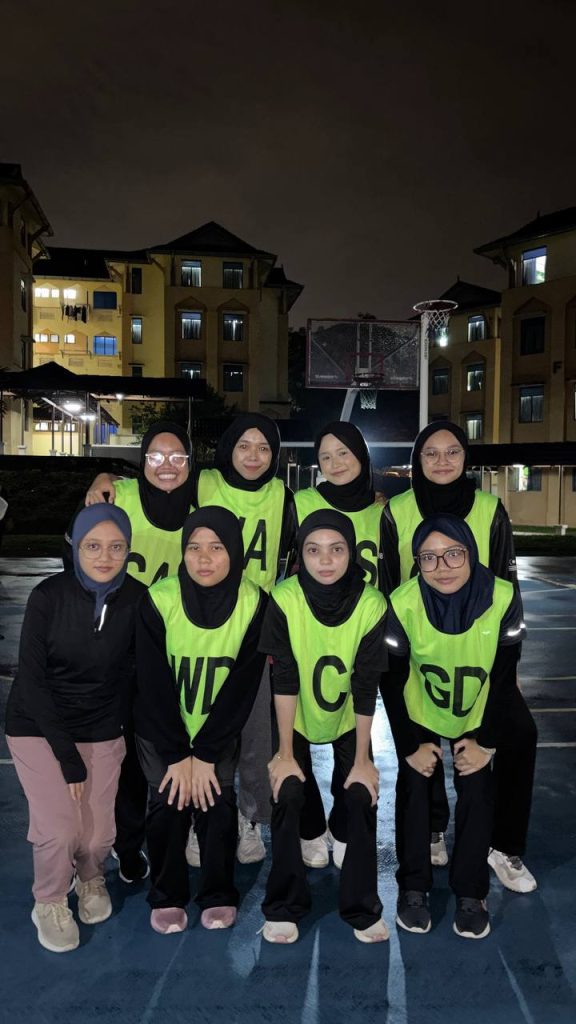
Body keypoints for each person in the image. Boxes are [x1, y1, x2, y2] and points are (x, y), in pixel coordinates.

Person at [380, 420, 537, 892]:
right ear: (417, 460)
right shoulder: (397, 510)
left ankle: (503, 845)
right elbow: (389, 584)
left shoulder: (489, 509)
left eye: (452, 451)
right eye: (431, 453)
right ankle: (432, 828)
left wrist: (510, 667)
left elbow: (508, 582)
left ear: (466, 457)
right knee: (420, 736)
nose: (442, 461)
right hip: (422, 650)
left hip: (478, 654)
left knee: (519, 733)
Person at [5, 504, 145, 953]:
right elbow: (31, 680)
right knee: (60, 828)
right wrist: (67, 757)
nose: (105, 557)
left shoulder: (137, 599)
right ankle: (48, 899)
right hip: (37, 726)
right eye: (93, 546)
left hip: (101, 726)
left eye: (116, 547)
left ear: (128, 550)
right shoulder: (48, 596)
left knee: (99, 833)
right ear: (76, 547)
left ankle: (90, 877)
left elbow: (139, 672)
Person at [385, 514, 525, 939]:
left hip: (477, 711)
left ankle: (471, 892)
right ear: (417, 561)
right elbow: (391, 677)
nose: (442, 566)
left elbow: (505, 677)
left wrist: (486, 743)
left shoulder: (502, 596)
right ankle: (413, 887)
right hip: (422, 707)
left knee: (478, 791)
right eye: (428, 557)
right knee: (413, 786)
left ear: (471, 552)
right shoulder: (403, 601)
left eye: (453, 554)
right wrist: (409, 745)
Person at [134, 506, 267, 934]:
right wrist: (177, 753)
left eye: (216, 547)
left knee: (217, 804)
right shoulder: (159, 599)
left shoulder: (254, 602)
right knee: (167, 805)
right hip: (162, 728)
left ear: (235, 552)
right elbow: (151, 682)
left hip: (218, 728)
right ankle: (167, 894)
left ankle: (218, 892)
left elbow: (242, 685)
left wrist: (206, 752)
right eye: (194, 547)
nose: (204, 558)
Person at [259, 509, 388, 944]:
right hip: (293, 710)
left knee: (360, 791)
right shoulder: (284, 597)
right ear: (301, 554)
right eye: (313, 550)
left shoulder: (372, 603)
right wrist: (284, 753)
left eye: (337, 549)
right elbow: (283, 676)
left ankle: (362, 906)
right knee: (288, 788)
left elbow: (366, 684)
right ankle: (284, 904)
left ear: (351, 553)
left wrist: (364, 759)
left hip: (349, 713)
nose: (326, 560)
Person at [82, 420, 197, 884]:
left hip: (180, 650)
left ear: (190, 462)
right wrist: (100, 478)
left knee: (175, 745)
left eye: (177, 456)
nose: (167, 465)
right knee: (125, 756)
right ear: (142, 459)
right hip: (122, 649)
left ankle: (180, 828)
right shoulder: (118, 497)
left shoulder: (202, 503)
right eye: (156, 456)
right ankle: (128, 844)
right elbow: (85, 552)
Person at [190, 413, 296, 866]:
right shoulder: (203, 483)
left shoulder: (282, 495)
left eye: (264, 447)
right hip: (203, 622)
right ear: (228, 449)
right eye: (244, 446)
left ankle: (251, 818)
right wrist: (105, 480)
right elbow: (155, 489)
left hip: (256, 626)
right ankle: (203, 815)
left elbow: (300, 547)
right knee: (204, 723)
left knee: (255, 734)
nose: (254, 456)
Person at [290, 421, 387, 868]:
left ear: (362, 456)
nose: (335, 463)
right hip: (307, 631)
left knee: (352, 733)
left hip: (362, 634)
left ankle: (344, 822)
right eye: (325, 456)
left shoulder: (385, 511)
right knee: (297, 733)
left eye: (344, 453)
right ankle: (310, 825)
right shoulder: (301, 503)